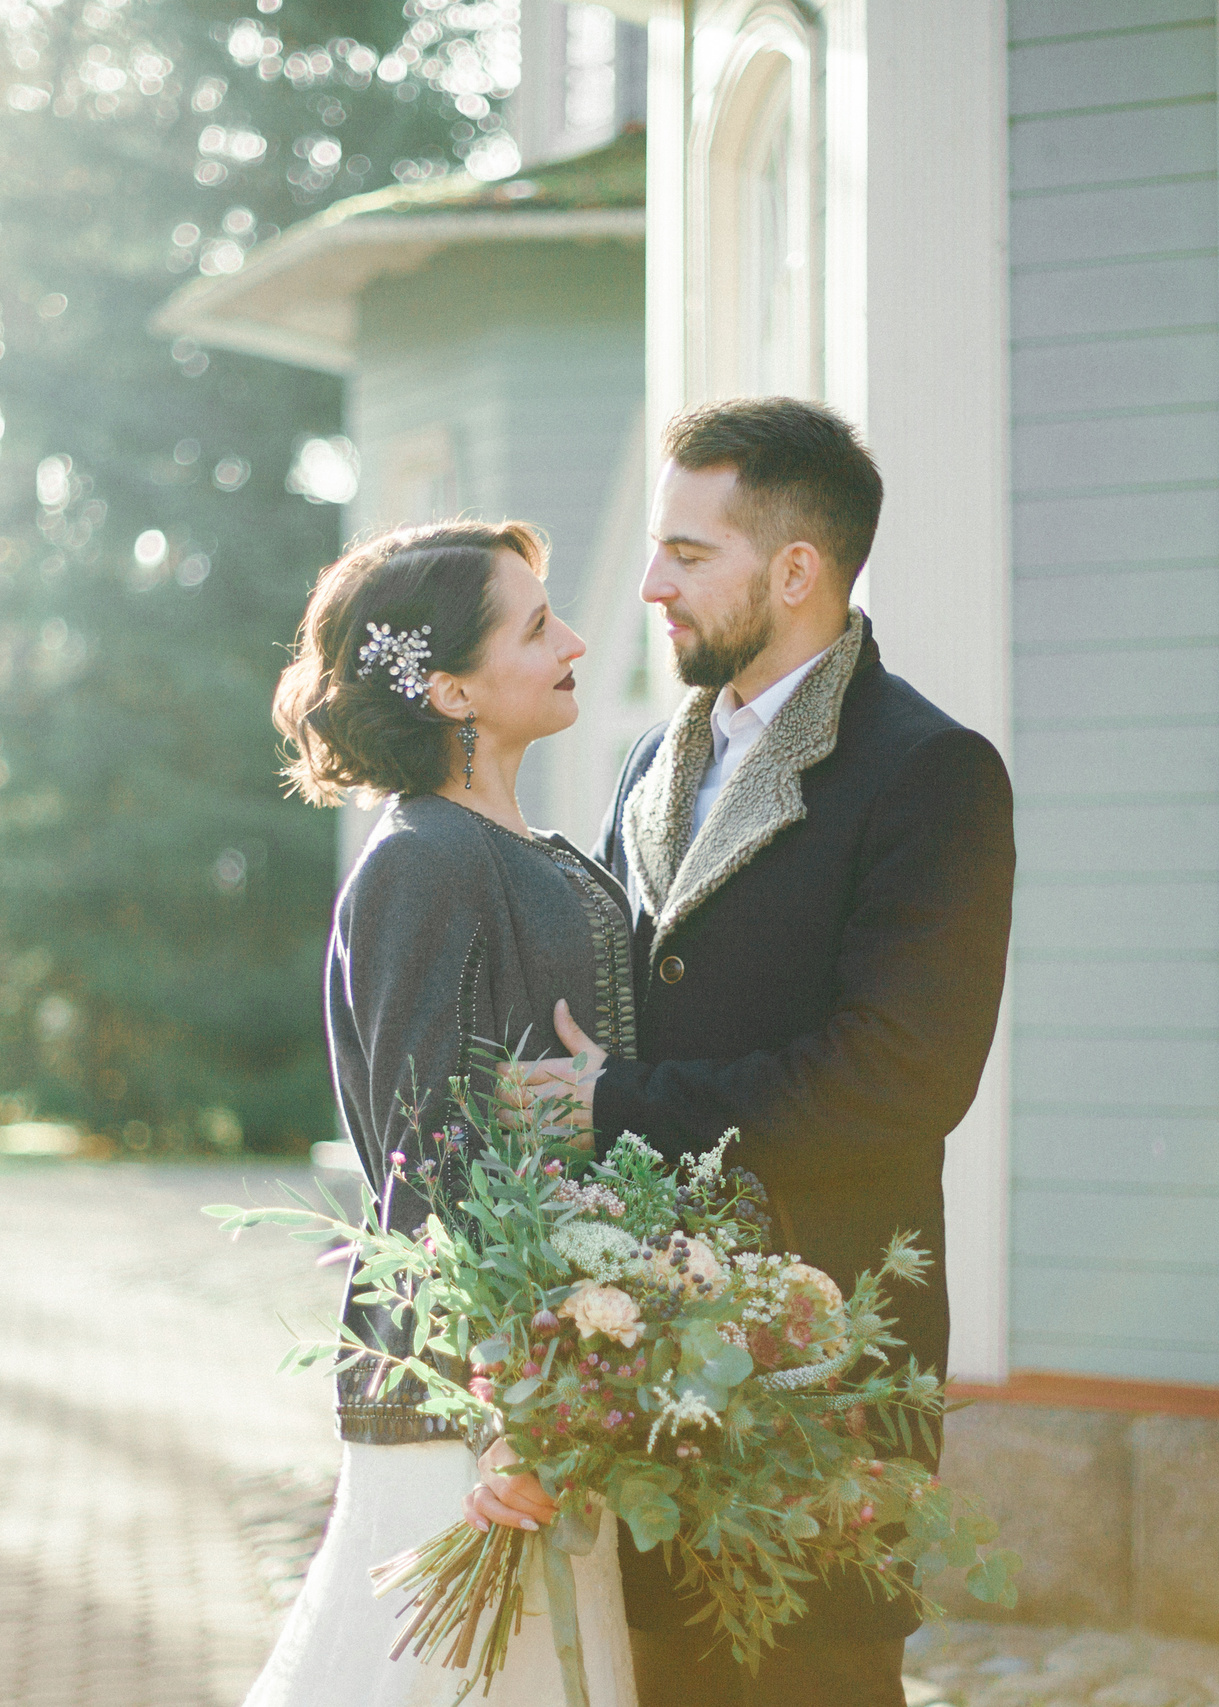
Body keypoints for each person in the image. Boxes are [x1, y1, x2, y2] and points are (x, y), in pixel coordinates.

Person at [493, 398, 1017, 1707]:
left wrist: (614, 1102)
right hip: (642, 1358)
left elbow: (903, 1075)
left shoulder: (931, 770)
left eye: (686, 550)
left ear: (796, 569)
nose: (650, 584)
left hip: (828, 1355)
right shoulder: (646, 768)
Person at [244, 519, 641, 1707]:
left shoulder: (530, 851)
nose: (573, 639)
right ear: (451, 686)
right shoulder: (421, 859)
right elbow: (433, 1157)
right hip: (473, 1412)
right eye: (535, 624)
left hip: (554, 1377)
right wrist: (509, 1396)